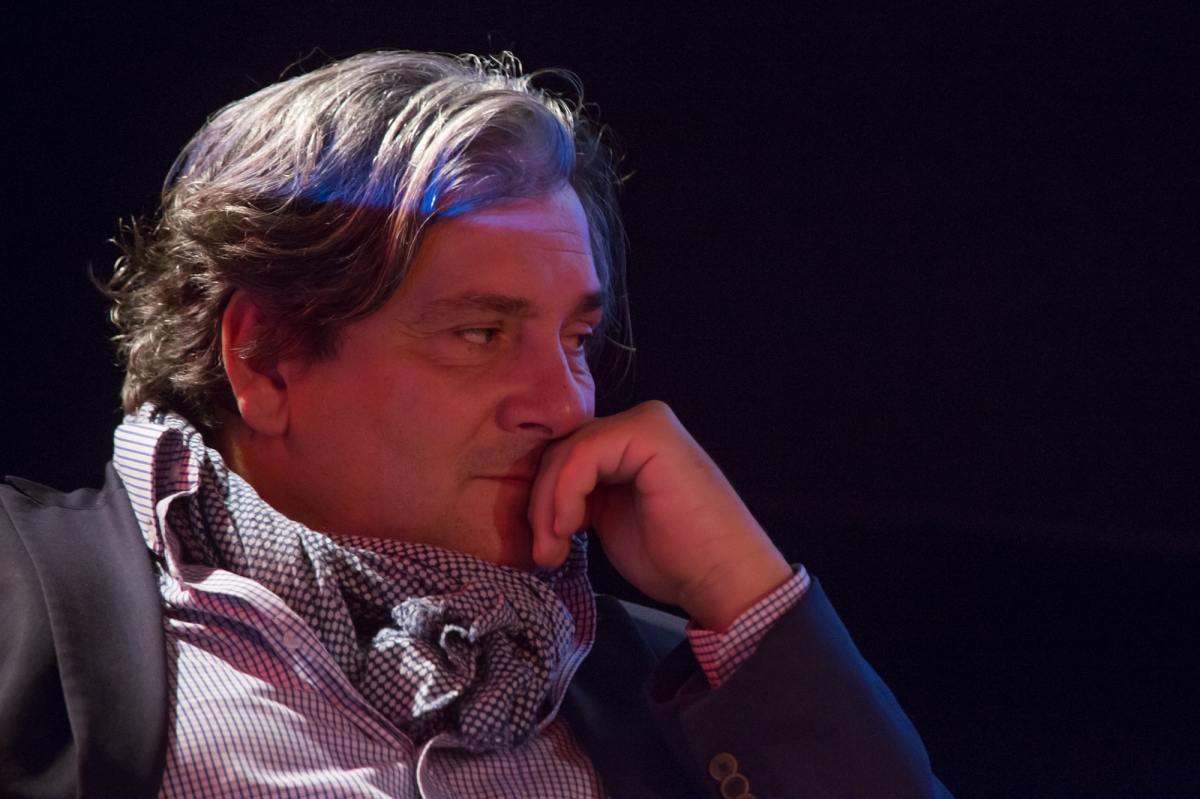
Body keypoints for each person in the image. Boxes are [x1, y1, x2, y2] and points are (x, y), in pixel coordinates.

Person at [0, 51, 952, 798]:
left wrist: (746, 600)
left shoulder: (666, 682)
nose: (565, 403)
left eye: (576, 338)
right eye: (481, 333)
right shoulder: (20, 597)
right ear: (266, 357)